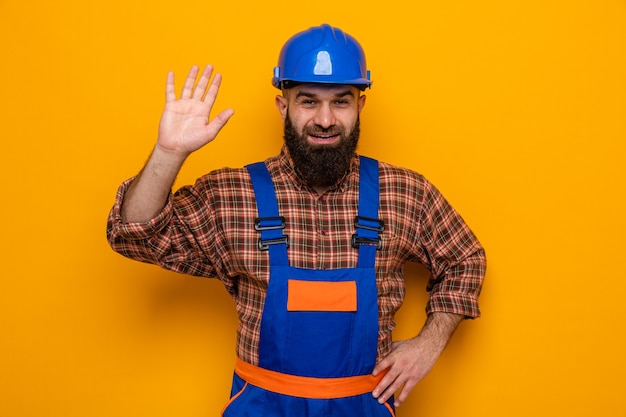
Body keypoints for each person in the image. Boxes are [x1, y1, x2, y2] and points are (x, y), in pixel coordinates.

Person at [107, 24, 486, 416]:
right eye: (308, 101)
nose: (325, 119)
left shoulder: (403, 192)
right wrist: (169, 152)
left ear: (360, 106)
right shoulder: (233, 194)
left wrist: (429, 343)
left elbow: (465, 259)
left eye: (341, 101)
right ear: (283, 105)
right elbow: (134, 236)